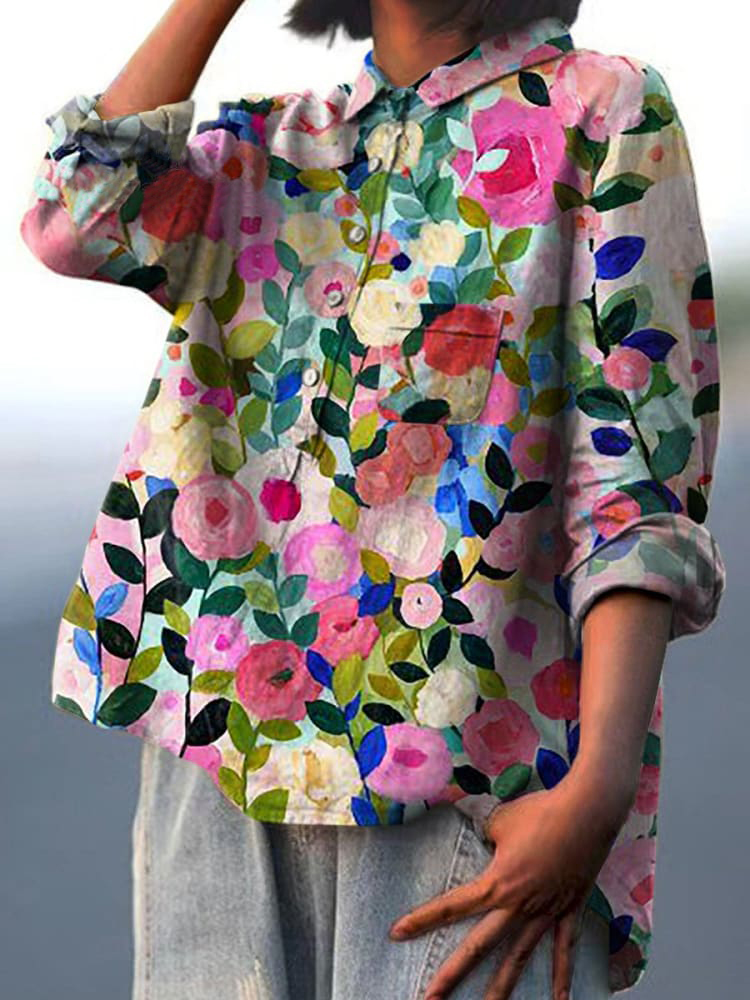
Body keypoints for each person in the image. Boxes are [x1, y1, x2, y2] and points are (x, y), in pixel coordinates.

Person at [19, 1, 726, 998]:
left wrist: (597, 791)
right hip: (217, 759)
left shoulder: (600, 109)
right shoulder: (268, 148)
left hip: (471, 767)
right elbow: (76, 218)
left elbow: (632, 475)